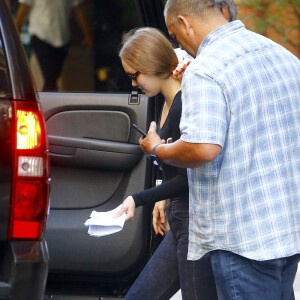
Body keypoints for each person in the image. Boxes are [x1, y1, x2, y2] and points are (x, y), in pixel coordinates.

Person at [139, 0, 300, 299]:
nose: (180, 44)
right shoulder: (283, 56)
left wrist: (159, 149)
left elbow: (203, 148)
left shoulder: (206, 69)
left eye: (175, 35)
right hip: (288, 230)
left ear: (185, 23)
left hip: (241, 240)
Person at [116, 27, 217, 300]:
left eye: (134, 75)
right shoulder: (166, 101)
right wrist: (163, 200)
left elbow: (189, 178)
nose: (134, 84)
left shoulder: (186, 104)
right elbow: (177, 168)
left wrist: (138, 198)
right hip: (181, 219)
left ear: (150, 65)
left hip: (196, 224)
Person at [15, 0, 92, 91]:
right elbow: (22, 11)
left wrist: (87, 34)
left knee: (54, 77)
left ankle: (49, 99)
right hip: (41, 35)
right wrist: (14, 37)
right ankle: (48, 101)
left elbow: (78, 11)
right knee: (50, 77)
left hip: (63, 38)